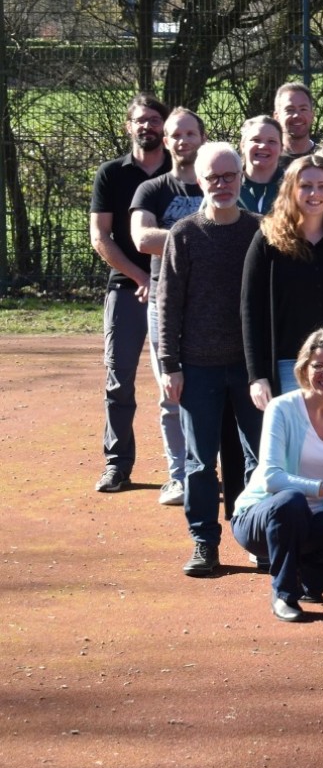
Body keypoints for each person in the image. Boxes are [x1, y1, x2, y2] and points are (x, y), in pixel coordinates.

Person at [158, 143, 265, 575]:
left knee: (260, 457)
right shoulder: (184, 235)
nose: (221, 185)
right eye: (213, 177)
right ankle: (205, 543)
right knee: (201, 461)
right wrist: (169, 364)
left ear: (241, 177)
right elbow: (168, 304)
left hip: (250, 368)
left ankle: (257, 535)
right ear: (198, 181)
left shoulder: (260, 230)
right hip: (197, 368)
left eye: (229, 176)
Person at [229, 329, 323, 620]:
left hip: (314, 523)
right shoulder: (281, 409)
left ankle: (308, 580)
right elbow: (272, 478)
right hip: (262, 517)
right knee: (291, 501)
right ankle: (284, 594)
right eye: (318, 366)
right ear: (303, 368)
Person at [242, 156, 323, 412]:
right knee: (297, 448)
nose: (315, 193)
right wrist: (256, 376)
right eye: (306, 186)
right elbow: (250, 310)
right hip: (291, 366)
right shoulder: (267, 240)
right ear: (291, 189)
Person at [90, 94, 171, 492]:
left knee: (179, 380)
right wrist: (141, 277)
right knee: (118, 379)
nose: (148, 127)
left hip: (177, 290)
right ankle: (117, 464)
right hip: (127, 288)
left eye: (155, 120)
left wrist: (162, 280)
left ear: (165, 127)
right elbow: (100, 237)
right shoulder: (111, 174)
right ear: (129, 126)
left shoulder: (182, 172)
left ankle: (191, 467)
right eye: (141, 120)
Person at [130, 107, 204, 502]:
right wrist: (200, 233)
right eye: (176, 134)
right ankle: (179, 476)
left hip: (212, 305)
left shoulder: (216, 184)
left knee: (213, 392)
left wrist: (173, 238)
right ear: (167, 139)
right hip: (164, 302)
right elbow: (142, 239)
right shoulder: (152, 190)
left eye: (190, 133)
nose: (182, 141)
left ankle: (206, 469)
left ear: (201, 138)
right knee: (170, 392)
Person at [238, 114, 284, 214]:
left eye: (272, 141)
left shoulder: (293, 186)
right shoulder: (227, 184)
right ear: (243, 145)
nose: (263, 146)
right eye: (256, 140)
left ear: (281, 148)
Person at [274, 81, 317, 160]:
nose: (297, 115)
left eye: (303, 109)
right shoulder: (269, 160)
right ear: (277, 117)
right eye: (290, 109)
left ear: (312, 116)